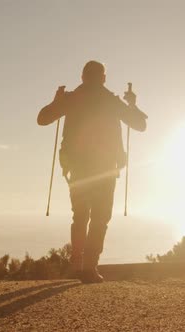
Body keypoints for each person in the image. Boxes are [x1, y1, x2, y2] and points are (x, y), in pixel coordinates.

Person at [37, 60, 147, 283]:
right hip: (104, 169)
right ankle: (89, 267)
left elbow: (42, 119)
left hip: (77, 168)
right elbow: (140, 125)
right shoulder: (110, 101)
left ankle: (77, 262)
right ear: (103, 78)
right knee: (99, 218)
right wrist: (132, 104)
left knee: (80, 216)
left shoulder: (72, 98)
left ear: (82, 77)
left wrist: (56, 101)